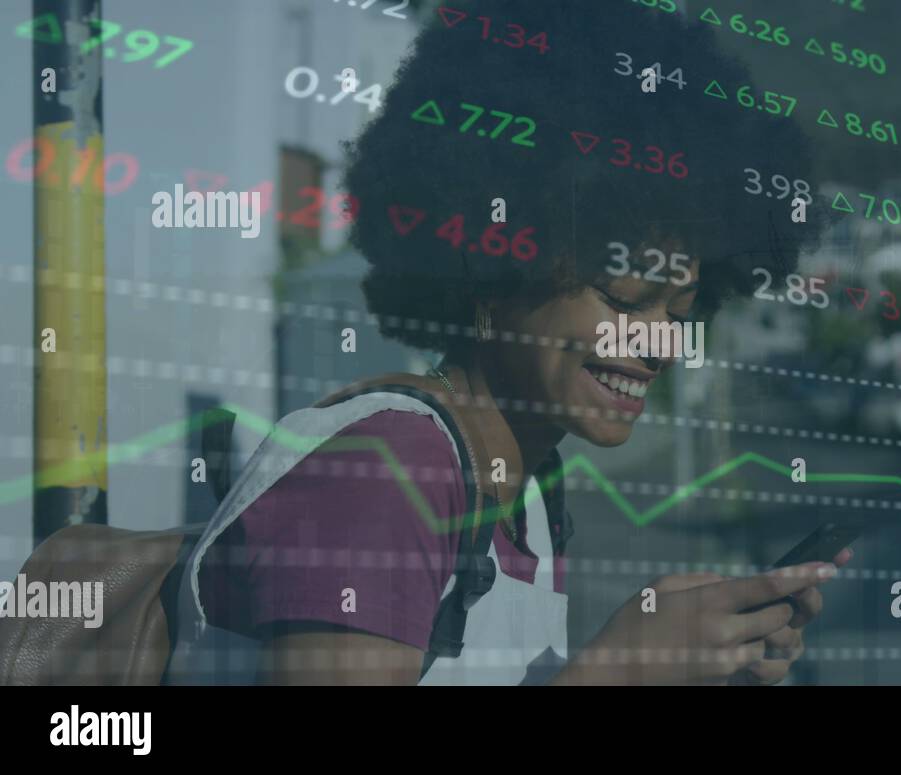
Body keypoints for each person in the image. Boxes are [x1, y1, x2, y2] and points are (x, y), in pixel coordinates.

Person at [170, 0, 845, 686]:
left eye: (679, 312)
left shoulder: (528, 492)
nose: (661, 344)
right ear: (493, 273)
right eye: (623, 298)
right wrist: (619, 667)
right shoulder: (384, 472)